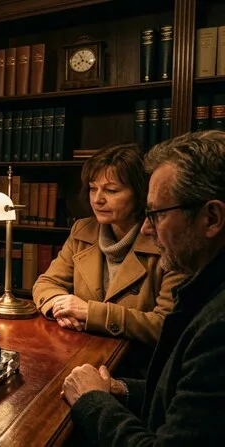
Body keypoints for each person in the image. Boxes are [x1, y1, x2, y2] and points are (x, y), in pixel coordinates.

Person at [62, 130, 225, 444]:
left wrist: (92, 400)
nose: (147, 228)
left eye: (156, 215)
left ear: (212, 218)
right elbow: (174, 395)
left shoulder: (217, 328)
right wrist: (118, 388)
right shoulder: (205, 288)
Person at [33, 143, 185, 347]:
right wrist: (59, 306)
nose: (97, 199)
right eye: (93, 188)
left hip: (135, 365)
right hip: (80, 348)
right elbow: (46, 283)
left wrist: (91, 313)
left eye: (111, 190)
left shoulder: (165, 240)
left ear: (141, 194)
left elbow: (165, 325)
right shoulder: (83, 229)